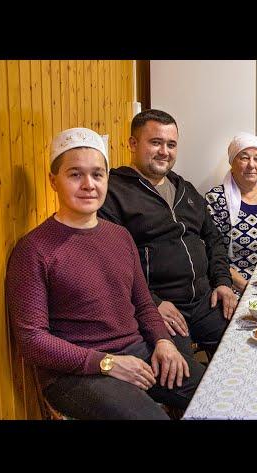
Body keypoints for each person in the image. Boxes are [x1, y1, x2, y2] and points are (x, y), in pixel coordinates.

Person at [6, 127, 205, 420]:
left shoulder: (120, 236)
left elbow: (143, 304)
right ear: (53, 180)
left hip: (137, 350)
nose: (89, 184)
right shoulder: (34, 249)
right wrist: (107, 363)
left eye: (97, 174)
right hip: (75, 373)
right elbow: (33, 341)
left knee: (215, 389)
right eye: (75, 174)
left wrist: (162, 341)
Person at [98, 110, 236, 358]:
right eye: (155, 142)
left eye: (171, 144)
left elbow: (213, 240)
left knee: (245, 351)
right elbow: (110, 264)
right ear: (132, 143)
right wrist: (153, 303)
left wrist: (223, 282)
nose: (164, 151)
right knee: (182, 376)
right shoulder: (113, 192)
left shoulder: (185, 189)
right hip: (160, 309)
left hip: (205, 301)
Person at [205, 133, 257, 292]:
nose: (251, 165)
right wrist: (249, 289)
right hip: (235, 287)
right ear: (232, 162)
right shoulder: (216, 199)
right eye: (244, 158)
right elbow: (213, 255)